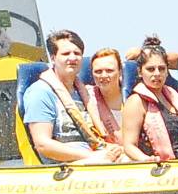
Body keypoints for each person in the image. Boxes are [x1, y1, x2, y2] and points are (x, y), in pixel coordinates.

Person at [23, 30, 122, 164]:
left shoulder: (85, 94)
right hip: (65, 167)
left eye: (77, 53)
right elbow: (43, 144)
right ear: (53, 58)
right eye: (65, 54)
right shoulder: (40, 92)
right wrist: (91, 157)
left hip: (97, 156)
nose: (72, 58)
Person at [121, 40, 178, 162]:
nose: (157, 73)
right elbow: (129, 146)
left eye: (161, 69)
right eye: (150, 69)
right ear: (140, 72)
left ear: (167, 71)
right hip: (160, 167)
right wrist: (146, 160)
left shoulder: (173, 96)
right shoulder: (135, 102)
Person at [84, 47, 126, 140]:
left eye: (109, 71)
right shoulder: (86, 98)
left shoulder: (133, 98)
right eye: (98, 71)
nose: (103, 76)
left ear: (120, 72)